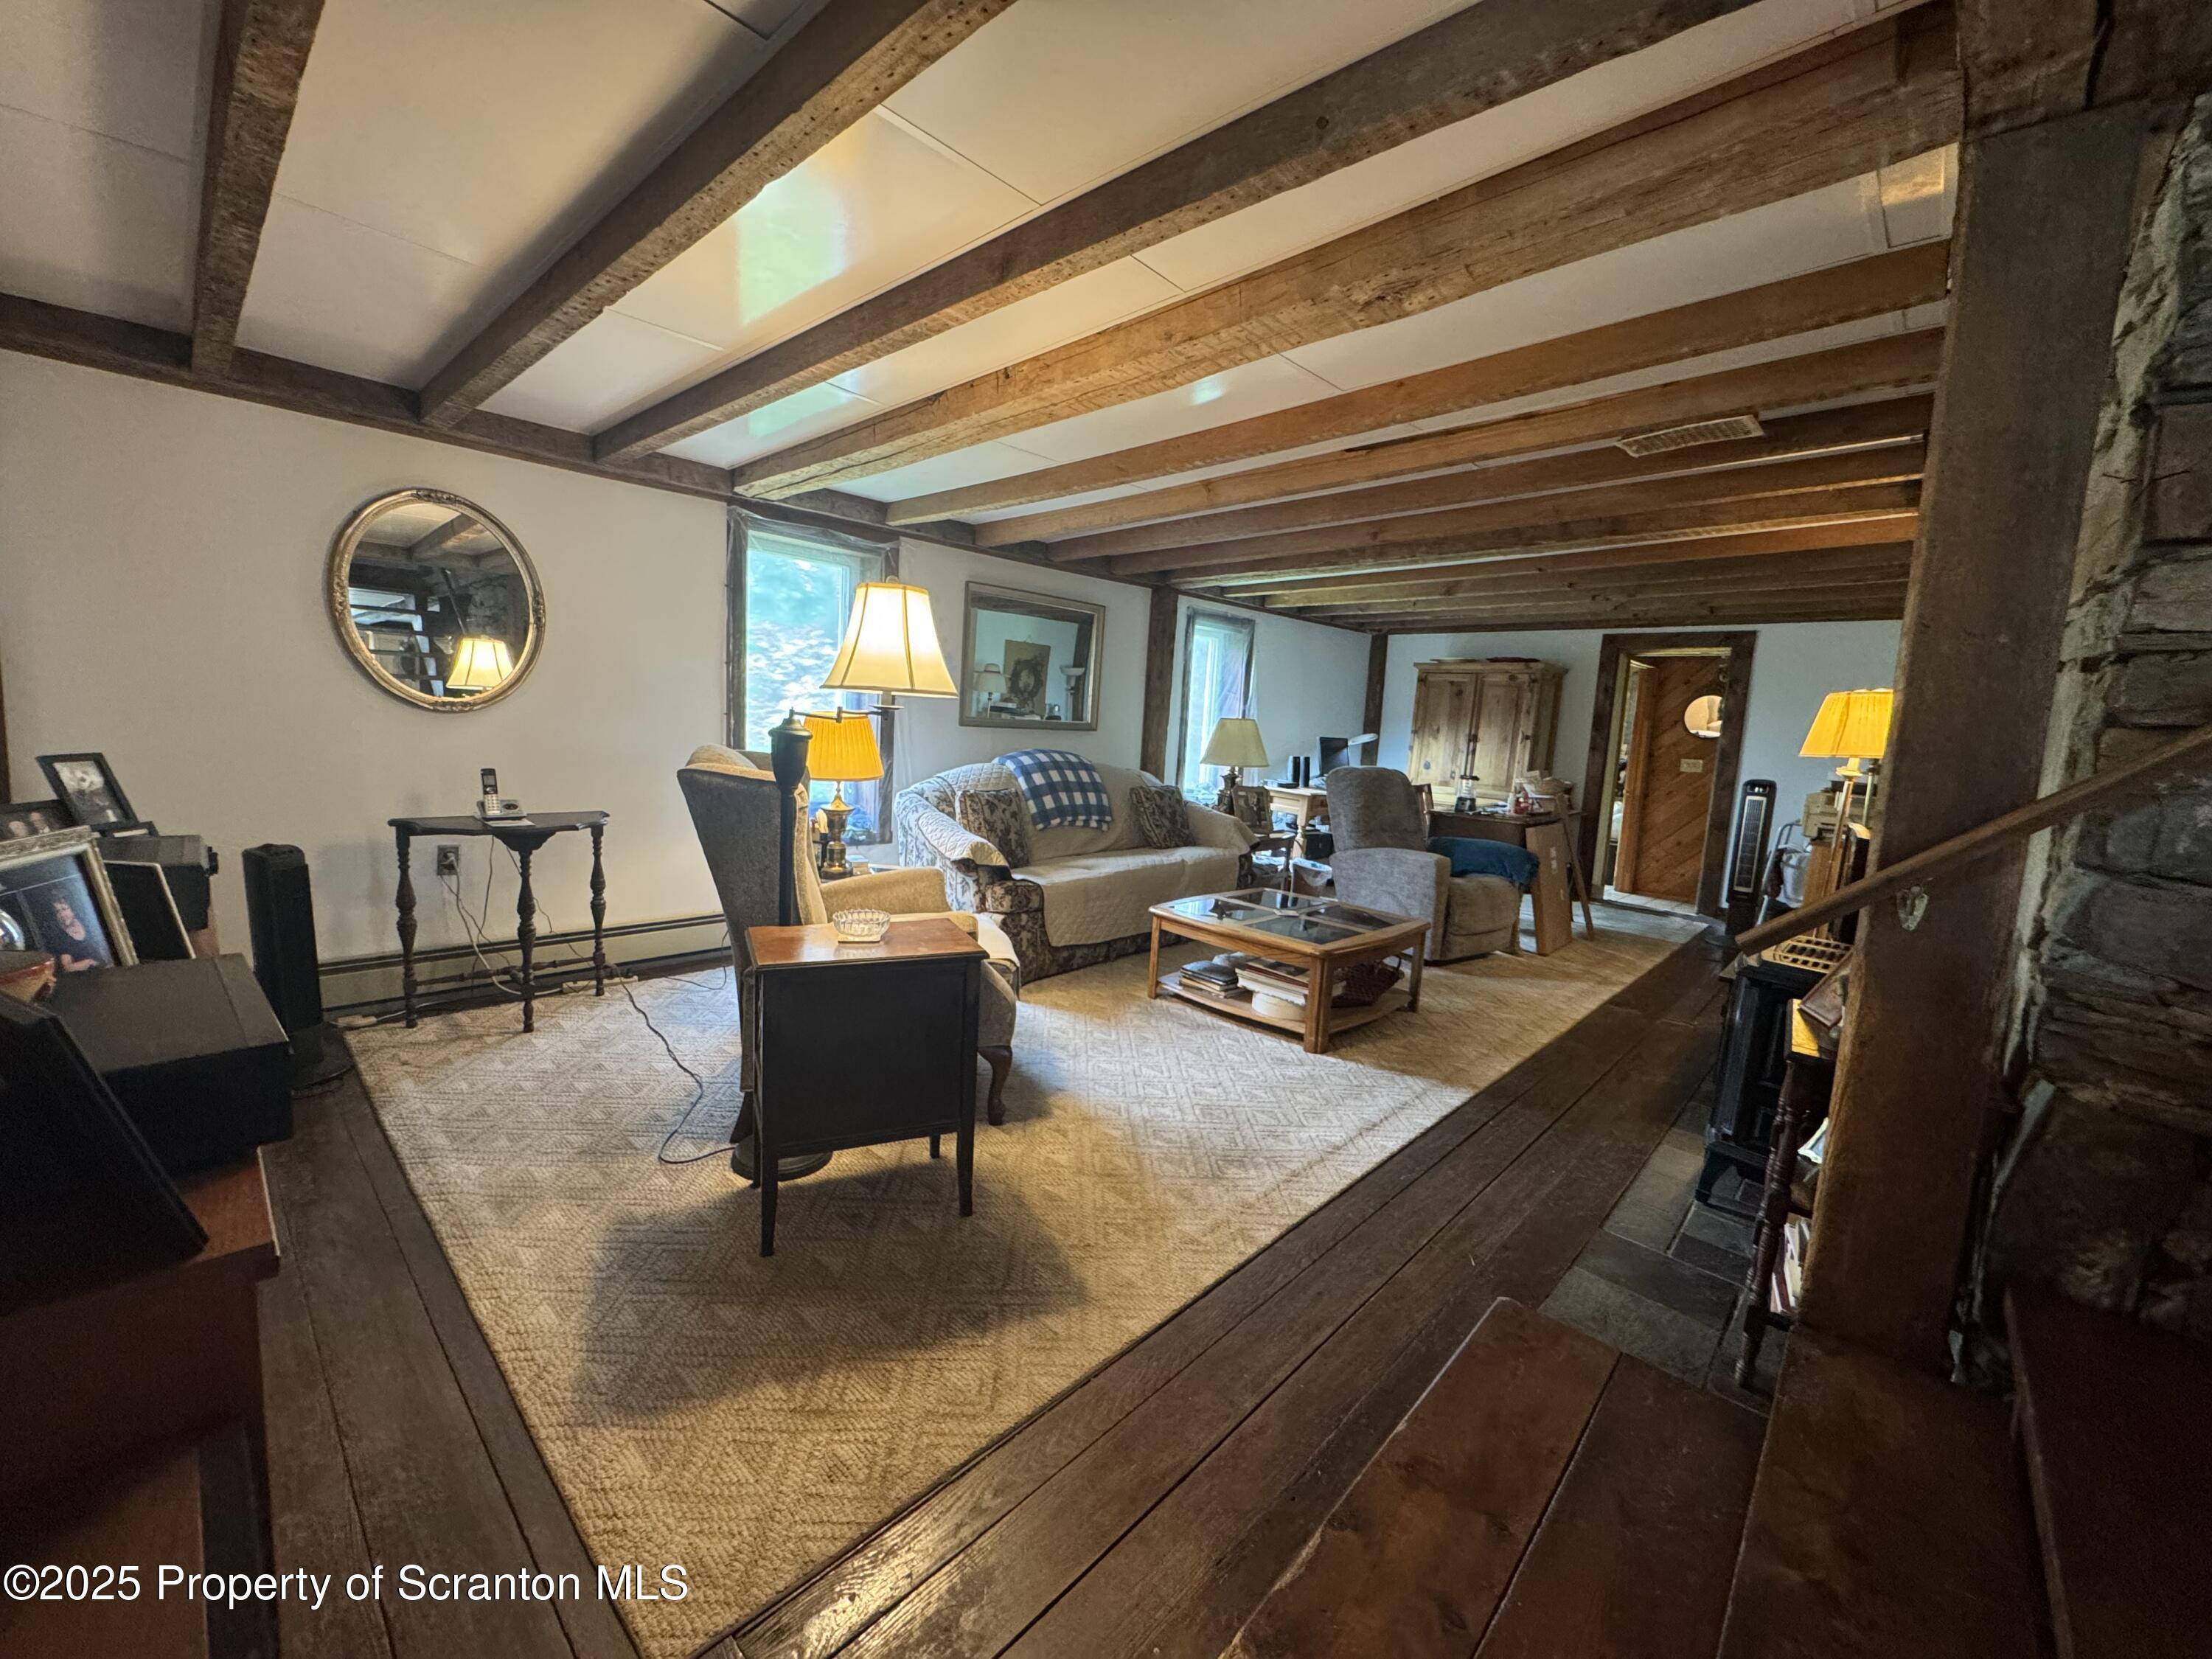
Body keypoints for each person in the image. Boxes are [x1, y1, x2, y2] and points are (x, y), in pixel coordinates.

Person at [45, 892, 110, 972]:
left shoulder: (89, 925)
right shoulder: (61, 938)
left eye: (64, 909)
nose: (61, 914)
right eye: (57, 912)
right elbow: (68, 967)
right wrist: (89, 962)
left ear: (73, 910)